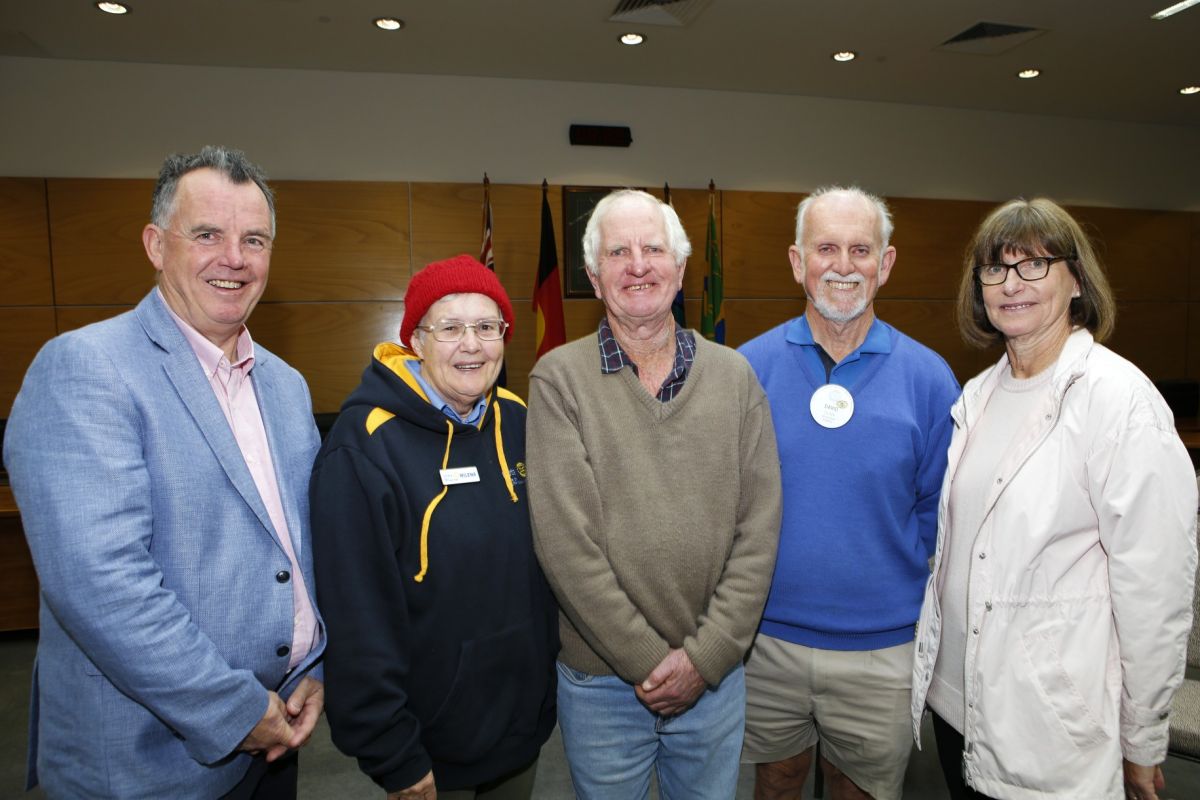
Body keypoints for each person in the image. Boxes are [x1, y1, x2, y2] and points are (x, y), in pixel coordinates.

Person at [2, 146, 325, 799]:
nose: (233, 257)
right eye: (207, 234)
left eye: (253, 239)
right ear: (155, 244)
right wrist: (237, 711)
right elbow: (103, 587)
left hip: (275, 739)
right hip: (145, 764)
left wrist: (315, 665)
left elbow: (302, 547)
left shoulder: (286, 387)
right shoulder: (84, 369)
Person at [911, 197, 1198, 800]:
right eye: (996, 269)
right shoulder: (979, 394)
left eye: (1036, 264)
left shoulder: (1120, 402)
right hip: (957, 709)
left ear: (1076, 280)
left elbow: (1155, 590)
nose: (1012, 284)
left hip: (1049, 726)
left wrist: (1142, 739)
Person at [526, 188, 782, 799]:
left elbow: (760, 528)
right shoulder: (558, 379)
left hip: (715, 677)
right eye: (618, 252)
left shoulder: (736, 377)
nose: (637, 265)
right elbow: (566, 545)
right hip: (602, 685)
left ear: (681, 266)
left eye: (652, 248)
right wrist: (647, 660)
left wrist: (706, 658)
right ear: (593, 276)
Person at [738, 185, 960, 800]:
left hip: (882, 647)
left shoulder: (929, 378)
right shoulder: (746, 369)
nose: (842, 265)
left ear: (885, 264)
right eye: (825, 248)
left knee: (855, 791)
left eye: (860, 249)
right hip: (767, 641)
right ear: (796, 261)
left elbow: (939, 510)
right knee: (775, 785)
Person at [310, 255, 557, 800]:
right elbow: (356, 616)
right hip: (427, 748)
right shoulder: (364, 446)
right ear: (415, 340)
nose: (471, 344)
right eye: (450, 327)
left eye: (487, 327)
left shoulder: (520, 420)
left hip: (521, 729)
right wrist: (392, 753)